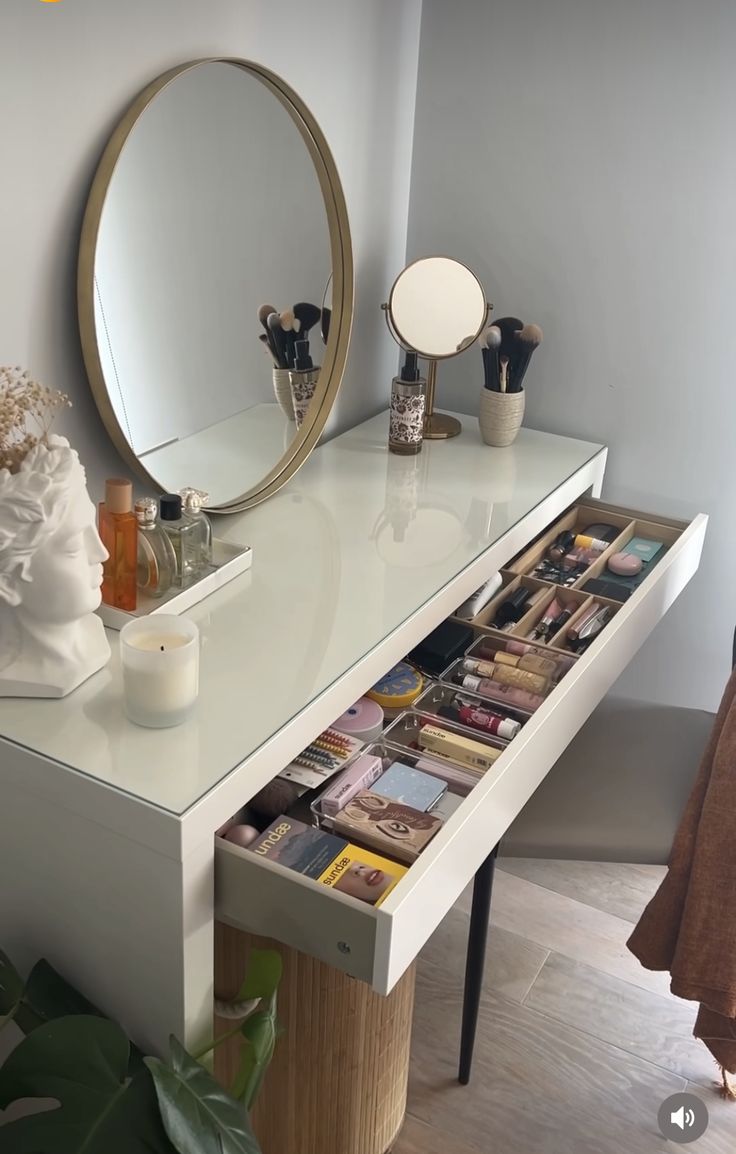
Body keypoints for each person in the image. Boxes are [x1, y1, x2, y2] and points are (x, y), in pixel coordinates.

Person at [0, 436, 110, 697]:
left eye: (91, 528)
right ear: (8, 583)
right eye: (73, 546)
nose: (101, 554)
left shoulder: (95, 633)